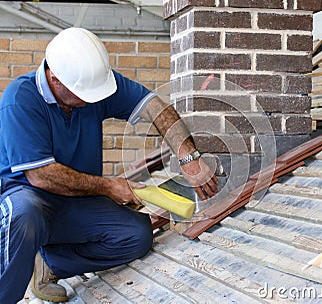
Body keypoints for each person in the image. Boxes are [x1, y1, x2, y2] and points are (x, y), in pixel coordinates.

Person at [0, 27, 218, 303]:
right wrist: (109, 187)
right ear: (56, 80)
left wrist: (188, 156)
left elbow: (154, 106)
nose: (94, 101)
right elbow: (42, 176)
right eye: (84, 95)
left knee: (136, 236)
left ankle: (51, 262)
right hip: (29, 197)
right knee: (23, 215)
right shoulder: (20, 99)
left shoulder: (92, 85)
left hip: (77, 198)